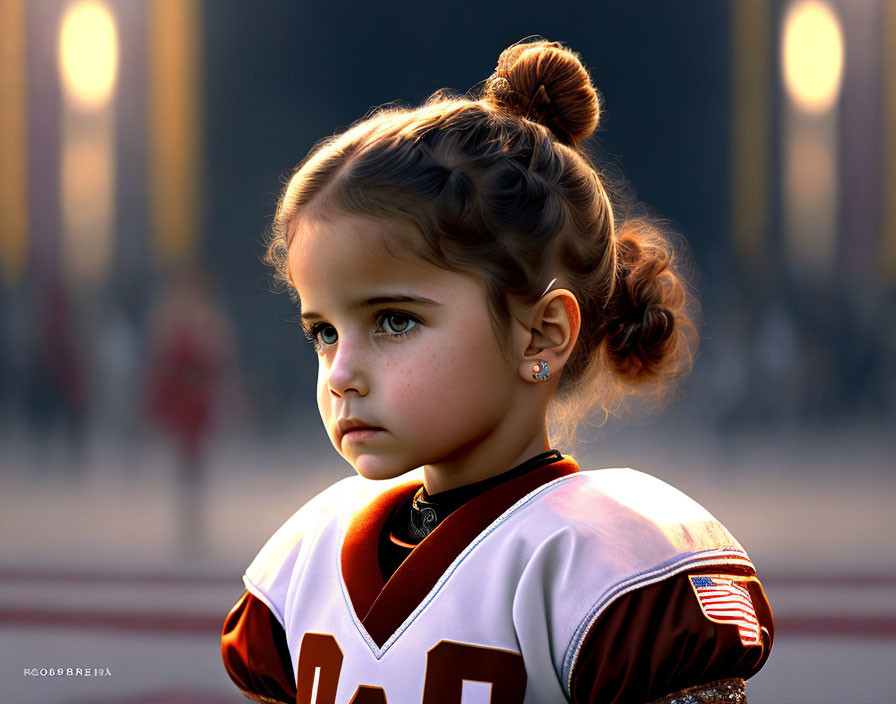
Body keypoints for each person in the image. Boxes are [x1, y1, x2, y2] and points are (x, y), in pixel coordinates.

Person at [221, 39, 773, 704]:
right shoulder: (304, 563)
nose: (341, 373)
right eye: (324, 332)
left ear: (541, 332)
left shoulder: (599, 570)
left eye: (394, 320)